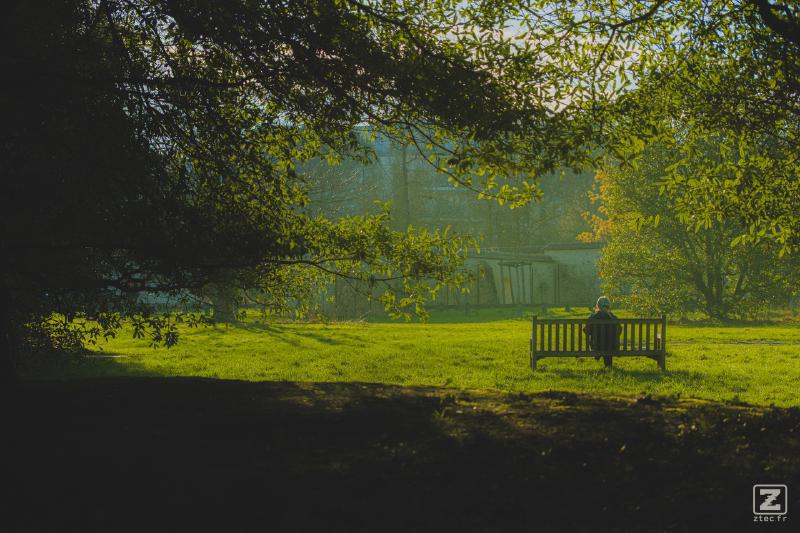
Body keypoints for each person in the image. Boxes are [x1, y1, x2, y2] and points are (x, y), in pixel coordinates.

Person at [584, 296, 621, 368]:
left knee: (599, 341)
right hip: (611, 346)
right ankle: (608, 365)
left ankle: (597, 354)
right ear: (609, 306)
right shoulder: (613, 317)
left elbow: (586, 330)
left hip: (597, 345)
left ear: (598, 305)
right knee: (608, 343)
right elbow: (619, 330)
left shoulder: (593, 317)